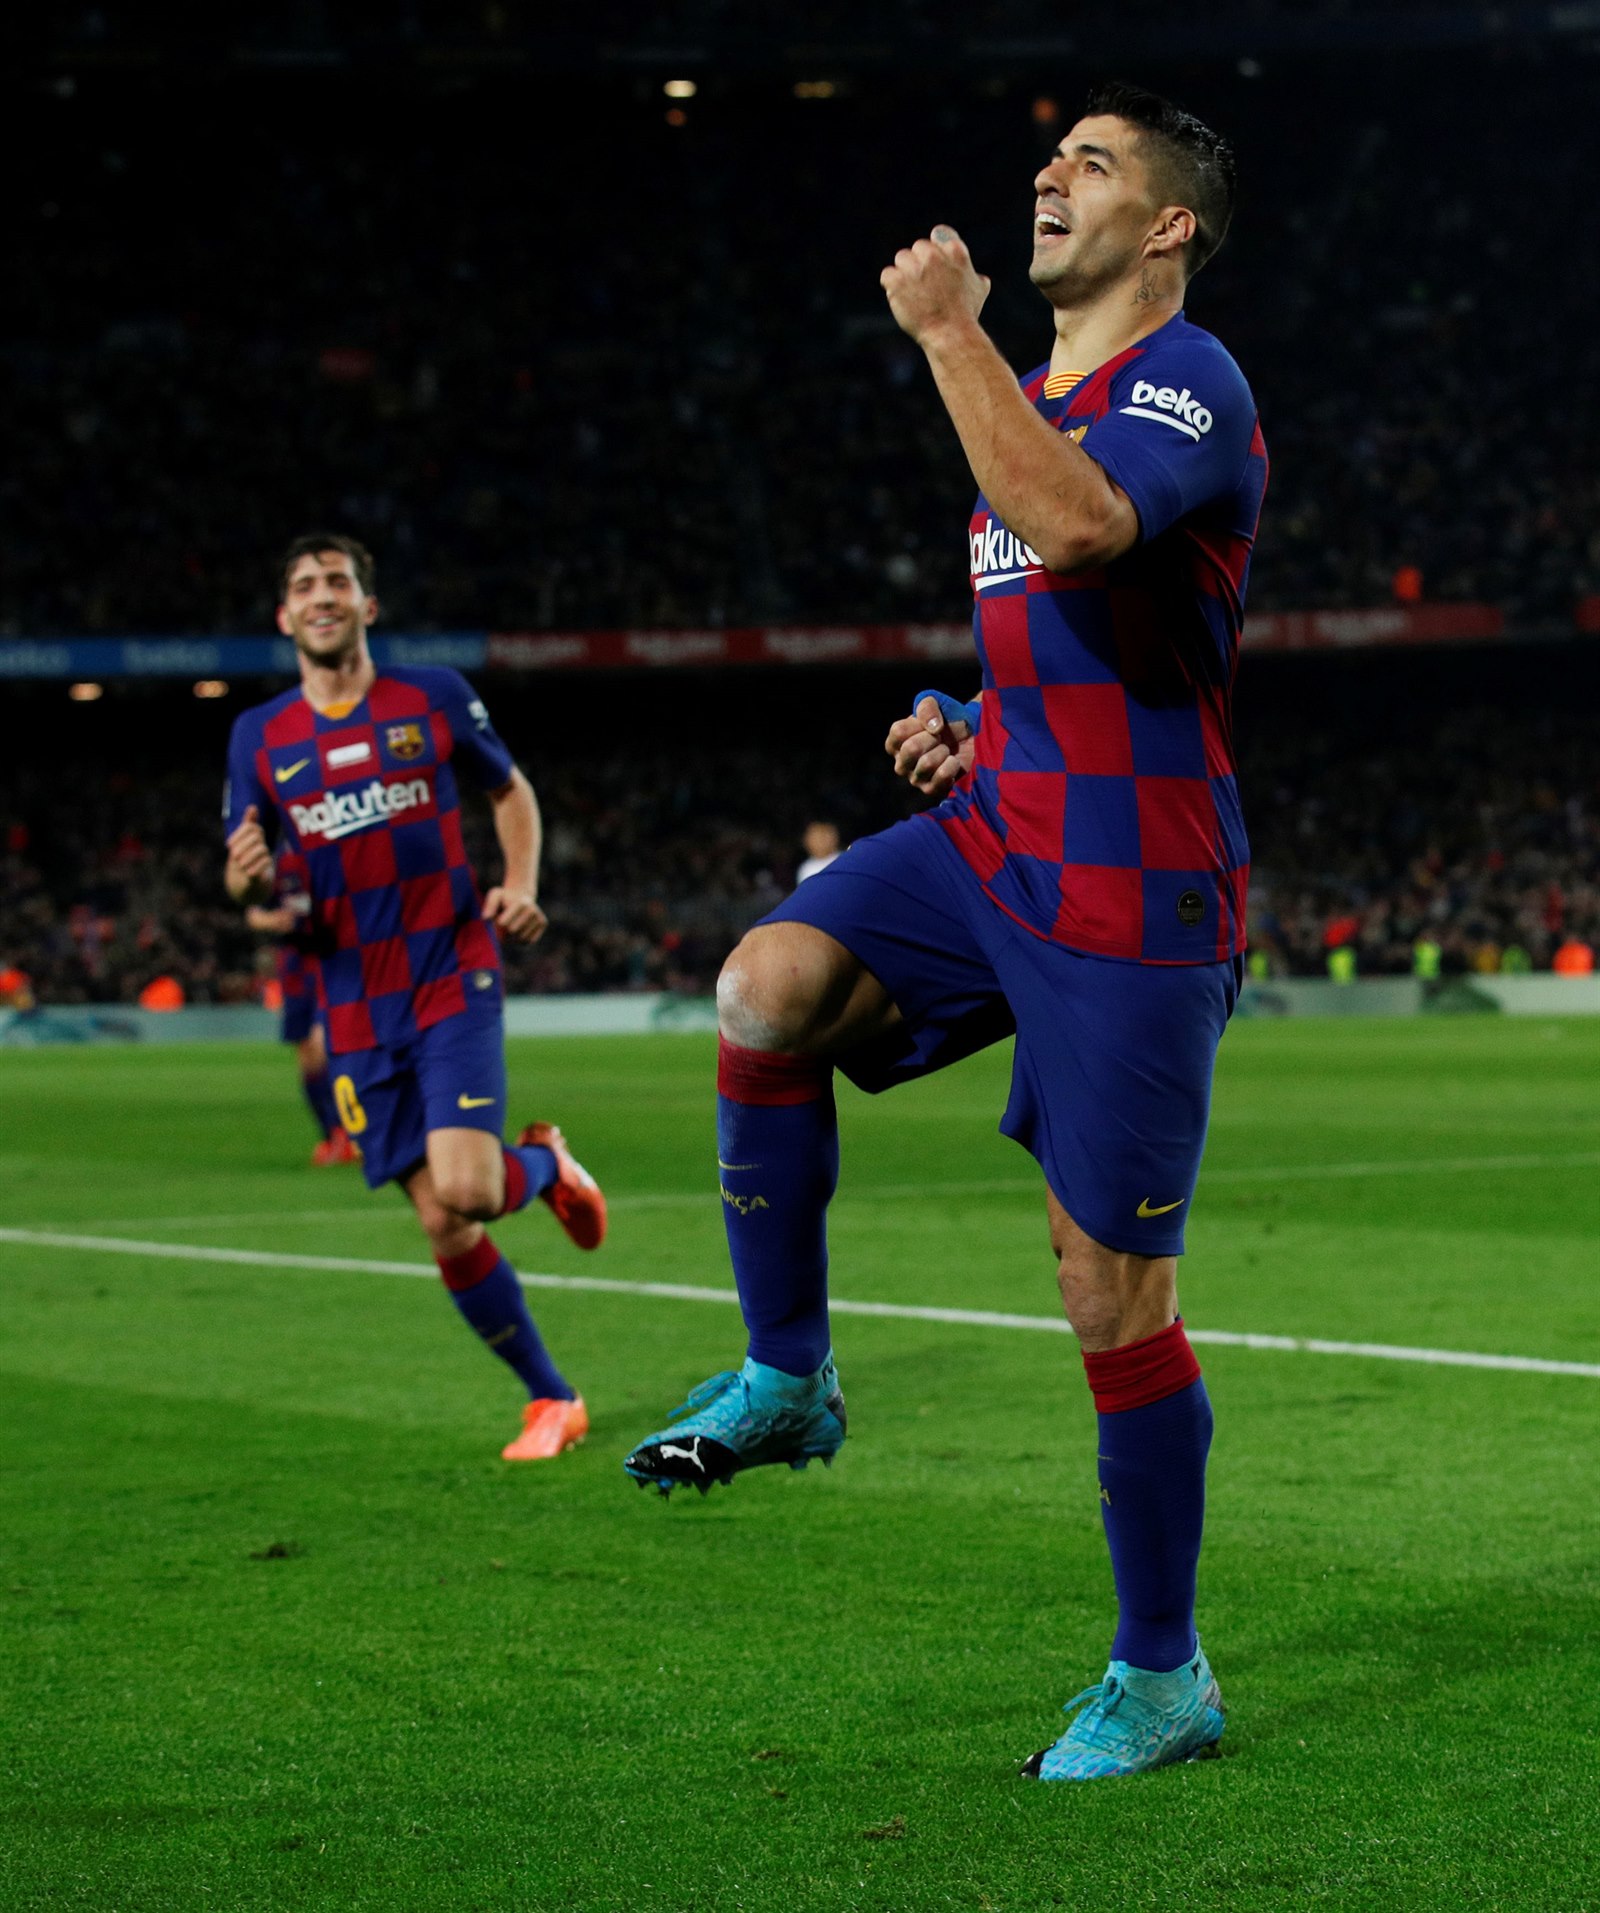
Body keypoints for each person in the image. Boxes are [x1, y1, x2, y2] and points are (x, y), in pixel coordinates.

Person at [624, 83, 1267, 1780]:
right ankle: (788, 1374)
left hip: (1134, 887)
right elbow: (1064, 636)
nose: (1050, 173)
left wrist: (943, 331)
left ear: (1170, 224)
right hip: (1000, 834)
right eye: (1052, 156)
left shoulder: (1188, 380)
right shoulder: (1033, 403)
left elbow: (1084, 528)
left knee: (1109, 1294)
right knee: (765, 987)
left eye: (1093, 163)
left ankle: (1164, 1675)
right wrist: (967, 721)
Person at [224, 533, 607, 1461]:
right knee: (441, 1217)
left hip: (448, 968)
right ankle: (552, 1398)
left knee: (470, 1187)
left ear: (367, 605)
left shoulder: (429, 696)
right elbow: (244, 874)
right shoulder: (259, 736)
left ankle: (544, 1165)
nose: (322, 595)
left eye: (338, 581)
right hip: (352, 1001)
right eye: (304, 585)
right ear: (285, 615)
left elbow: (510, 791)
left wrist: (521, 883)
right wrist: (248, 881)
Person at [245, 845, 359, 1166]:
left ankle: (350, 1131)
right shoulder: (279, 861)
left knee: (325, 1045)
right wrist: (274, 920)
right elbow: (254, 914)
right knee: (307, 1055)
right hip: (295, 966)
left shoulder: (336, 852)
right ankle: (331, 1135)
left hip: (333, 959)